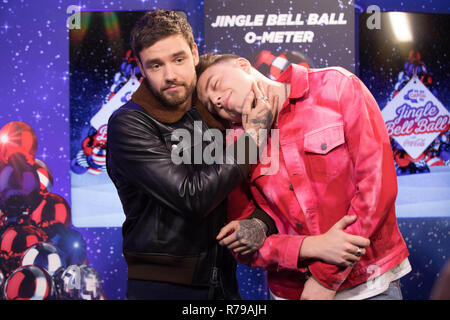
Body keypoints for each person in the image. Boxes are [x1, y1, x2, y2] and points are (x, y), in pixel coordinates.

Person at [195, 53, 411, 300]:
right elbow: (241, 243)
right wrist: (306, 248)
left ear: (243, 65)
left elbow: (377, 187)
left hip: (369, 283)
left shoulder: (337, 86)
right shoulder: (236, 147)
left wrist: (325, 279)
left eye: (215, 85)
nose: (217, 99)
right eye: (212, 105)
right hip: (290, 290)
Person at [105, 10, 278, 300]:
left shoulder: (217, 103)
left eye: (178, 59)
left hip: (223, 280)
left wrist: (262, 222)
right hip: (162, 288)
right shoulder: (129, 124)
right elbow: (191, 195)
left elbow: (271, 183)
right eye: (156, 65)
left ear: (194, 52)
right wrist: (253, 137)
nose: (170, 75)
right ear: (141, 68)